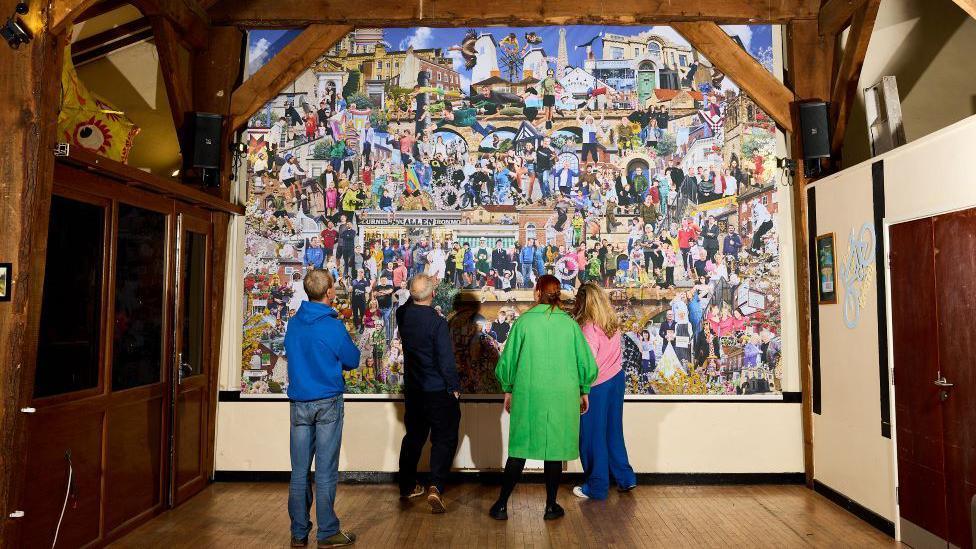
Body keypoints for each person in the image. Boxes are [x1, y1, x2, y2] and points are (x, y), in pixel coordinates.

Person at [491, 275, 598, 521]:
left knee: (519, 448)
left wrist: (508, 388)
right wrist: (584, 390)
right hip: (562, 395)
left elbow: (507, 362)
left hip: (529, 394)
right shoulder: (570, 325)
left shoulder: (524, 323)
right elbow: (586, 363)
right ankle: (551, 506)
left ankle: (501, 505)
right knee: (554, 449)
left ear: (537, 292)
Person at [283, 270, 359, 548]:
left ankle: (299, 533)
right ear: (328, 293)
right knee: (325, 471)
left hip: (299, 403)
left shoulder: (293, 324)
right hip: (327, 402)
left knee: (299, 471)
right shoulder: (333, 326)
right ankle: (327, 532)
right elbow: (352, 360)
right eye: (334, 287)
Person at [395, 274, 461, 514]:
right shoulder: (437, 322)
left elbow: (405, 304)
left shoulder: (402, 315)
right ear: (433, 294)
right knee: (444, 439)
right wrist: (454, 387)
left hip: (414, 390)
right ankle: (436, 486)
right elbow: (446, 361)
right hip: (438, 391)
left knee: (413, 438)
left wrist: (419, 288)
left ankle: (407, 485)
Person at [571, 283, 637, 500]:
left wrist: (582, 388)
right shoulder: (612, 324)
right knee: (613, 432)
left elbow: (588, 363)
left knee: (591, 436)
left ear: (584, 301)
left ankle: (597, 486)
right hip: (616, 380)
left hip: (596, 385)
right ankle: (626, 478)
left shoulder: (588, 327)